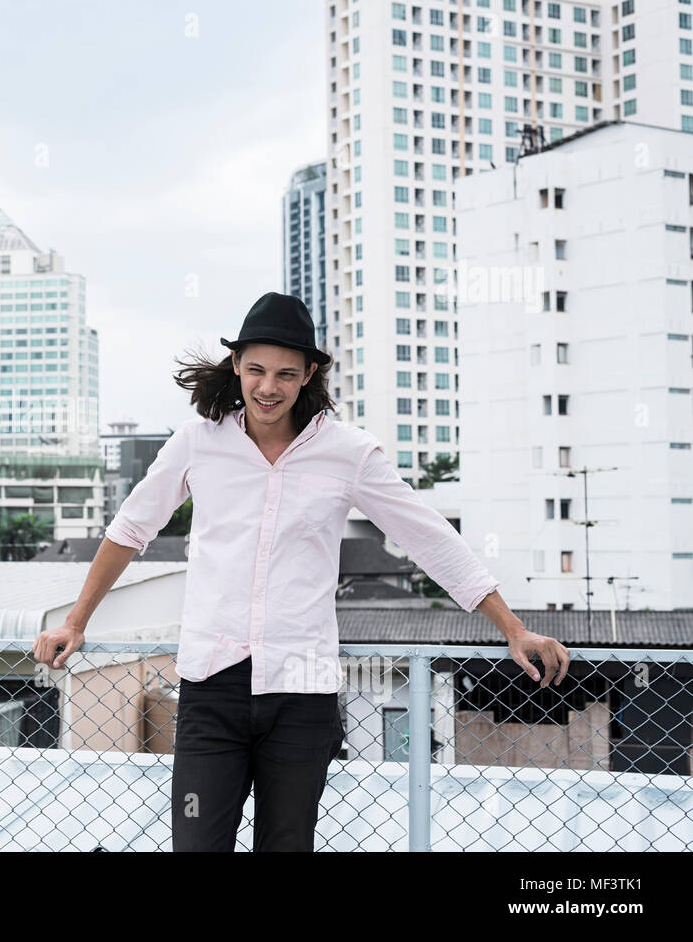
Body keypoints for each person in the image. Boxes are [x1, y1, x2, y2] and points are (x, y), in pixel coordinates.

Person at [31, 291, 569, 852]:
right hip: (211, 689)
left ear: (309, 373)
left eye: (286, 373)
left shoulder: (350, 453)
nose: (268, 387)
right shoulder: (197, 441)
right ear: (236, 365)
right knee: (194, 845)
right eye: (256, 369)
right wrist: (77, 620)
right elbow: (129, 530)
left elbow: (429, 538)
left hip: (301, 694)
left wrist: (513, 627)